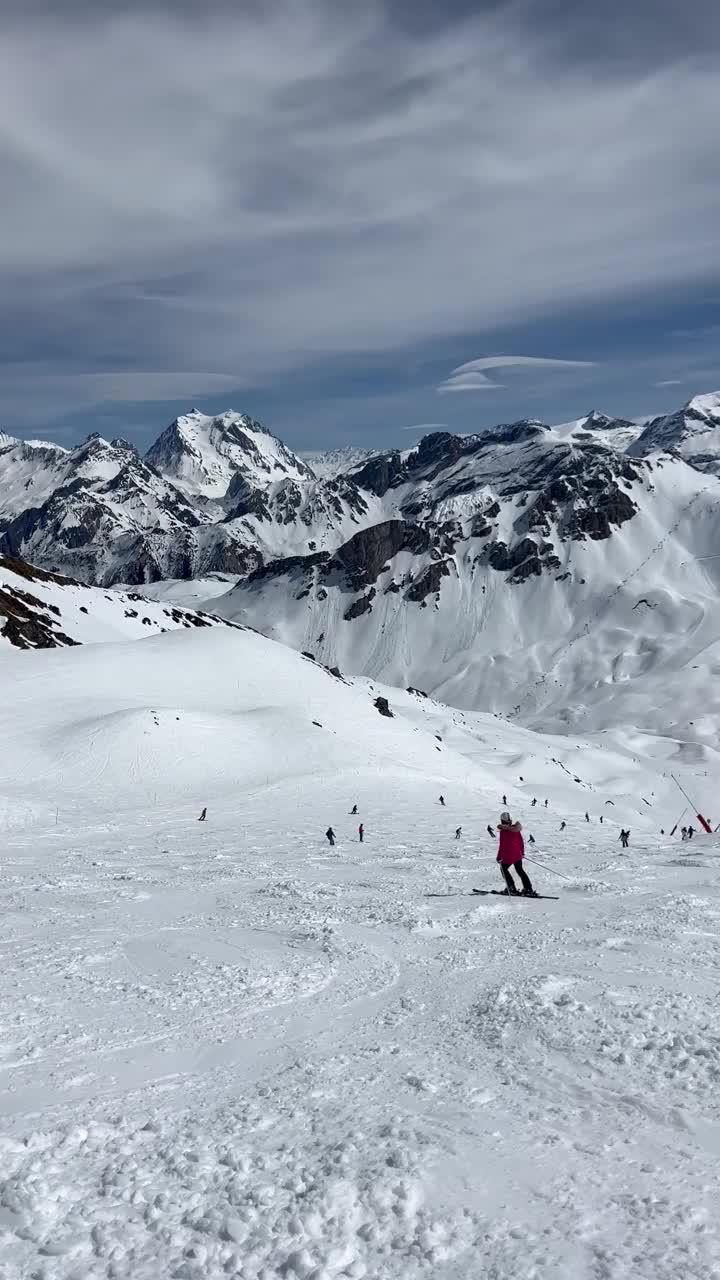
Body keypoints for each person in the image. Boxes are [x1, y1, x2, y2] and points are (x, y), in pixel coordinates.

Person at [496, 812, 535, 896]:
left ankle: (511, 887)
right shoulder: (516, 829)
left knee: (503, 869)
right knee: (520, 870)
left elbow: (502, 845)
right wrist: (522, 853)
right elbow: (521, 842)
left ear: (502, 821)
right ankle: (528, 888)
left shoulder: (503, 831)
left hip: (508, 855)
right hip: (517, 854)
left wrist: (499, 856)